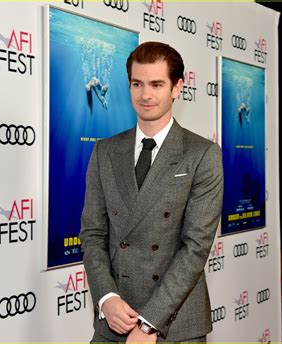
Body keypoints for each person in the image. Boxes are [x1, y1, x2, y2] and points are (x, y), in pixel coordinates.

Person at [79, 41, 224, 343]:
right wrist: (106, 298)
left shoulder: (202, 154)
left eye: (157, 84)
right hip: (114, 321)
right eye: (137, 84)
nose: (145, 95)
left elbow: (195, 248)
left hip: (175, 325)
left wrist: (149, 324)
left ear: (176, 87)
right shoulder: (105, 151)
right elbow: (93, 234)